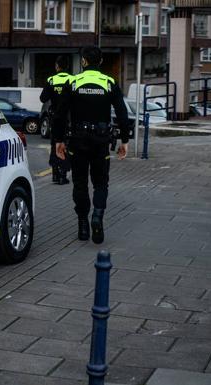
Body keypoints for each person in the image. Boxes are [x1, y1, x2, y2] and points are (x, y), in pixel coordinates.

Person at [52, 46, 129, 244]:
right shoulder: (109, 82)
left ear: (84, 62)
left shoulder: (73, 82)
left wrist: (58, 141)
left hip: (77, 142)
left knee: (80, 183)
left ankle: (83, 225)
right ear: (100, 62)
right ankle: (97, 216)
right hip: (101, 142)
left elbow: (59, 114)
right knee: (101, 183)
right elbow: (122, 113)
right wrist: (125, 141)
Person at [40, 55, 73, 185]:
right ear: (68, 66)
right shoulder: (73, 79)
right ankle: (63, 175)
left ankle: (55, 174)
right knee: (65, 145)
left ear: (57, 66)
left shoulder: (51, 80)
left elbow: (43, 98)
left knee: (54, 145)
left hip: (54, 118)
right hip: (68, 119)